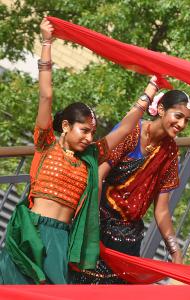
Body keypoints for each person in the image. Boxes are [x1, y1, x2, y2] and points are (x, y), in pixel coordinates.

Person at [0, 18, 163, 284]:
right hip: (30, 231)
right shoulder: (46, 144)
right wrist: (46, 42)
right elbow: (46, 95)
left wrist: (152, 86)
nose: (89, 138)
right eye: (84, 130)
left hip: (61, 239)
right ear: (65, 126)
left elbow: (123, 129)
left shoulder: (90, 157)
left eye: (92, 133)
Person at [70, 88, 190, 284]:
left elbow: (161, 210)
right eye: (178, 116)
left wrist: (175, 250)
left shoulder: (170, 153)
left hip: (128, 239)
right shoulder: (132, 132)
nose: (181, 124)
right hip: (98, 223)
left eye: (187, 120)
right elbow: (98, 176)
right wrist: (91, 224)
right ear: (161, 110)